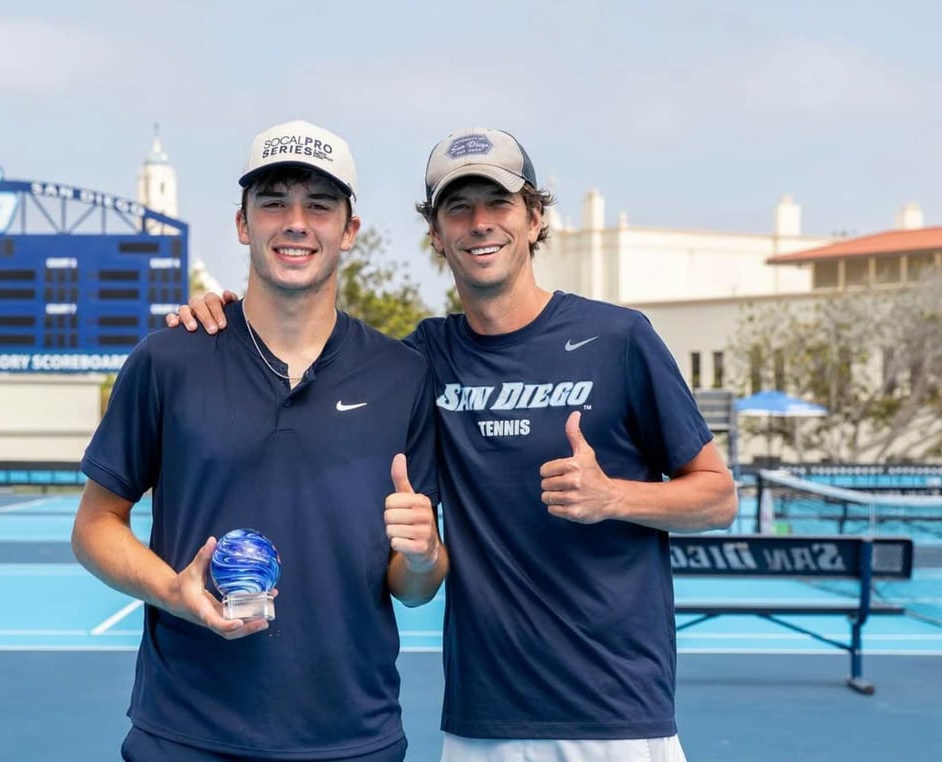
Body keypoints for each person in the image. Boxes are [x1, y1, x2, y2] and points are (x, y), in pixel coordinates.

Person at [173, 127, 739, 762]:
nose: (479, 224)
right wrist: (219, 312)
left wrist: (614, 496)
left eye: (498, 203)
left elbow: (718, 498)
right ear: (436, 233)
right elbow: (310, 343)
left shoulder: (620, 339)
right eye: (458, 208)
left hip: (618, 714)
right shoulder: (420, 360)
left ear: (534, 218)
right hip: (482, 721)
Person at [72, 119, 446, 762]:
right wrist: (171, 591)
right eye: (273, 202)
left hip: (352, 738)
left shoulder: (404, 376)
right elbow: (94, 527)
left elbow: (415, 585)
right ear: (243, 224)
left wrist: (423, 555)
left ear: (349, 230)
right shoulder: (168, 361)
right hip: (185, 735)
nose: (295, 222)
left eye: (319, 206)